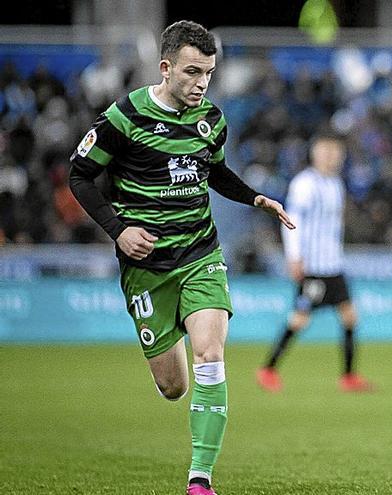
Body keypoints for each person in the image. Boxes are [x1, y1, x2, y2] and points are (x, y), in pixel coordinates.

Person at [68, 20, 294, 495]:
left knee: (211, 354)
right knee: (174, 386)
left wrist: (255, 198)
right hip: (146, 268)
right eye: (192, 72)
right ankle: (169, 372)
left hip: (200, 253)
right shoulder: (124, 116)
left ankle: (200, 480)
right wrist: (119, 230)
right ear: (166, 67)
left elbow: (214, 172)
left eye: (208, 73)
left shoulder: (210, 120)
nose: (201, 83)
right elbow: (80, 177)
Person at [256, 132, 372, 393]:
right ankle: (268, 369)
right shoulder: (304, 184)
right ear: (315, 152)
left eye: (335, 152)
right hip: (313, 267)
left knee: (350, 316)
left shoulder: (336, 184)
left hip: (333, 266)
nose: (331, 156)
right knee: (299, 319)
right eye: (325, 151)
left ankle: (349, 376)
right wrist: (294, 257)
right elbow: (291, 222)